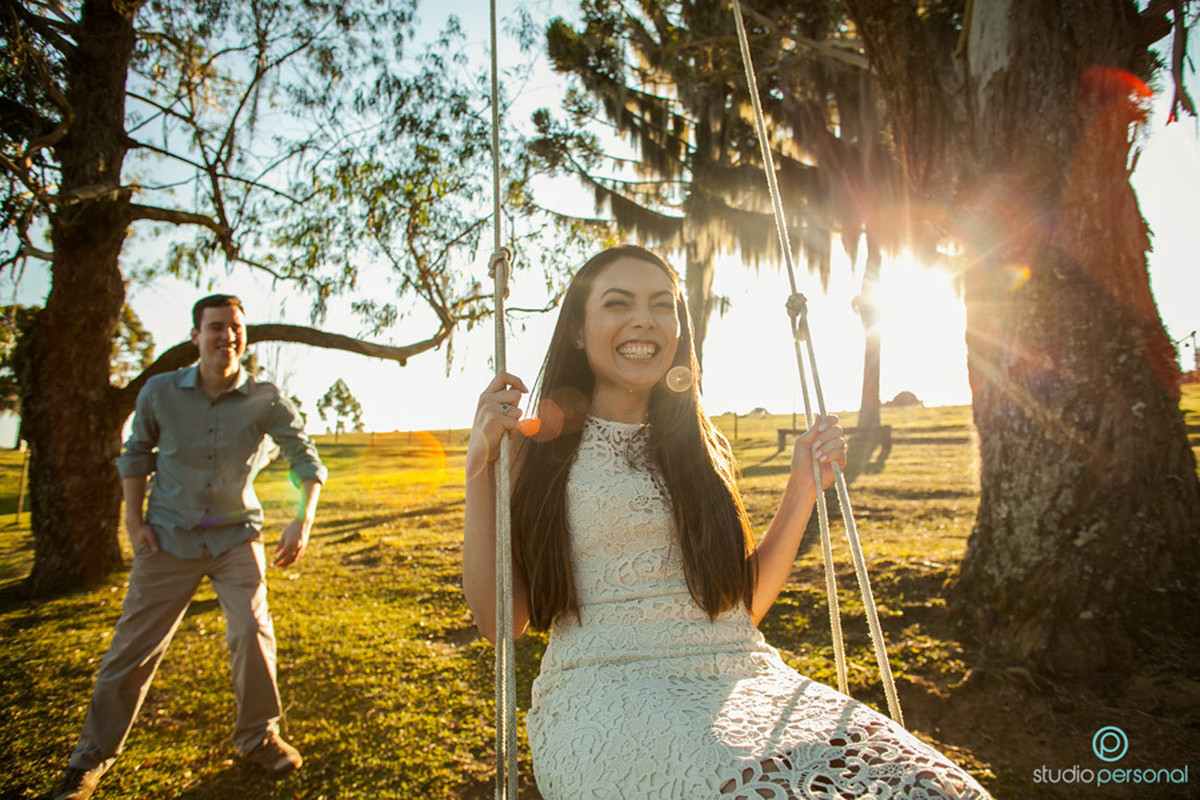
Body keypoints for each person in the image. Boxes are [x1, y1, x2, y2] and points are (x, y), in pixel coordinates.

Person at [463, 246, 992, 799]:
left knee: (930, 786)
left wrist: (801, 490)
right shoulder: (533, 447)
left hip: (743, 678)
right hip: (604, 691)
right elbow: (501, 621)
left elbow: (737, 607)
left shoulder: (700, 448)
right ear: (576, 330)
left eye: (662, 305)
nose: (644, 319)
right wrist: (480, 471)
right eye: (618, 304)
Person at [51, 294, 327, 800]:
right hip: (168, 537)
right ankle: (88, 760)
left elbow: (305, 459)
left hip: (236, 537)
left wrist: (302, 519)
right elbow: (135, 457)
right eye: (216, 327)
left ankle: (259, 737)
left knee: (251, 630)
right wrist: (134, 523)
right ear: (196, 335)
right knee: (131, 650)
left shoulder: (265, 397)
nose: (228, 336)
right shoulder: (159, 392)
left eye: (236, 328)